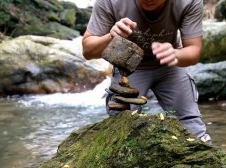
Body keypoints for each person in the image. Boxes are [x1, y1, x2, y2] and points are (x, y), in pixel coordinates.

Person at [82, 0, 211, 142]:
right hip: (127, 69)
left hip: (170, 65)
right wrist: (111, 37)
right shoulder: (110, 2)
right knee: (120, 131)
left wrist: (176, 54)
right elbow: (88, 51)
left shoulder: (189, 2)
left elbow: (194, 51)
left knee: (193, 129)